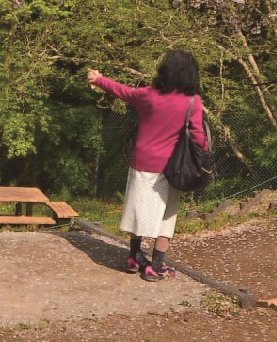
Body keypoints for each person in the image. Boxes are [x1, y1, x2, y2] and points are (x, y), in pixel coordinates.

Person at [88, 51, 208, 281]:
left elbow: (122, 91)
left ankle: (134, 257)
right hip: (172, 167)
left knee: (138, 212)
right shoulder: (192, 101)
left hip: (141, 163)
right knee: (166, 216)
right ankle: (157, 266)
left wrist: (98, 79)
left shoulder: (148, 95)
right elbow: (198, 136)